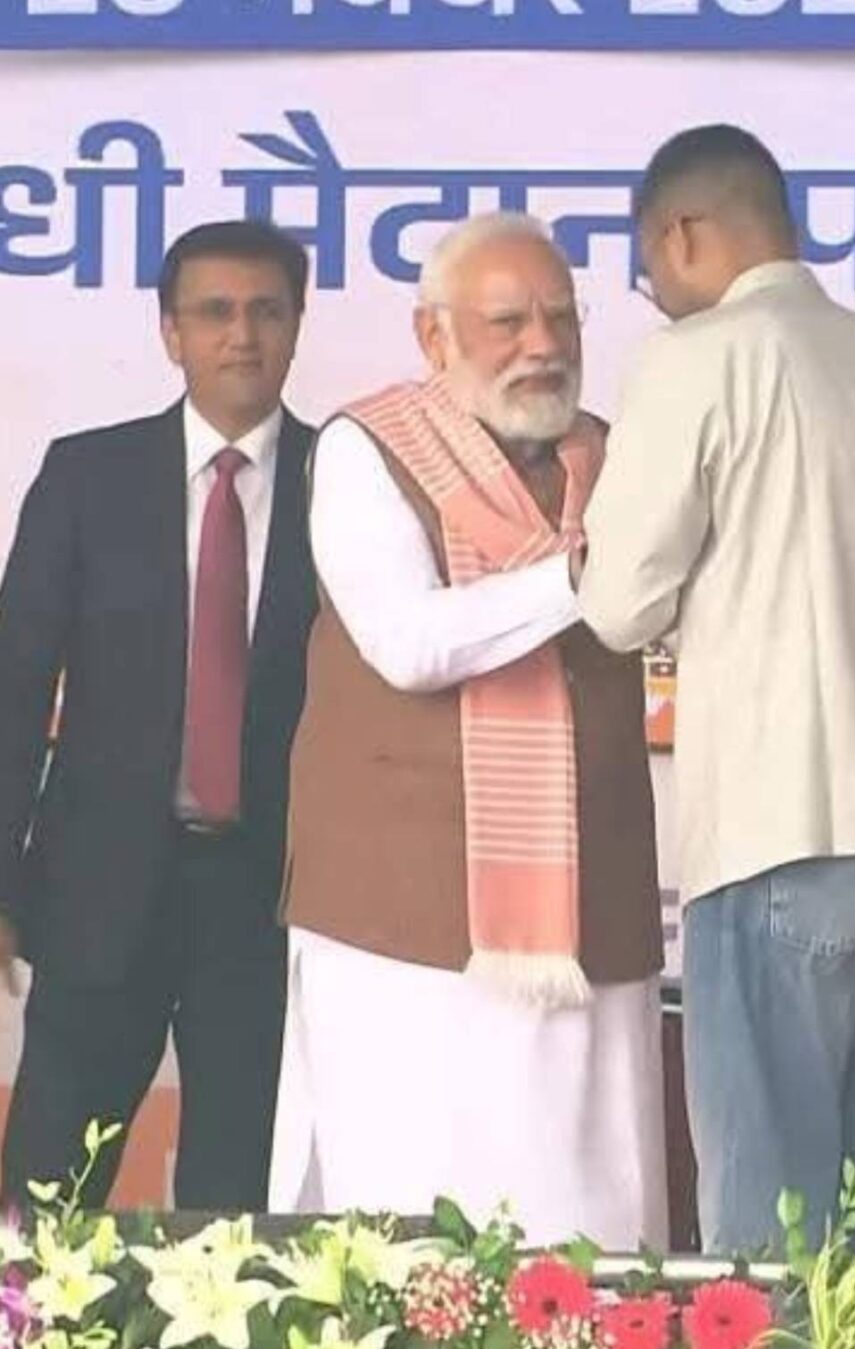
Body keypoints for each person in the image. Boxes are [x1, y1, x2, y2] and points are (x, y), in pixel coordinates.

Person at [581, 124, 855, 1259]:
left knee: (768, 1240)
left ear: (681, 234)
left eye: (645, 260)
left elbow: (617, 603)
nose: (649, 288)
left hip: (779, 833)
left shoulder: (696, 360)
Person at [266, 213, 665, 1248]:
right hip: (401, 926)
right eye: (507, 323)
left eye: (561, 318)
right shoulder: (365, 449)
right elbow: (408, 643)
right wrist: (581, 575)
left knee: (592, 1230)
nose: (543, 345)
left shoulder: (616, 459)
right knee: (415, 1224)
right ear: (433, 336)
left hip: (591, 915)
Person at [0, 221, 318, 1210]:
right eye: (214, 312)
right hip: (97, 892)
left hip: (269, 903)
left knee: (236, 1211)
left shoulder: (346, 481)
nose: (242, 335)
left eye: (266, 311)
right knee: (43, 1200)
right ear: (171, 332)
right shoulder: (87, 476)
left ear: (298, 324)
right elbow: (14, 686)